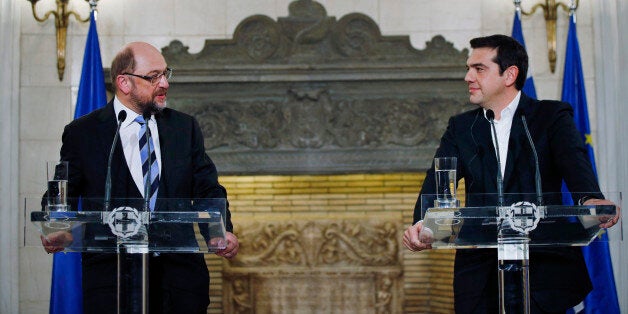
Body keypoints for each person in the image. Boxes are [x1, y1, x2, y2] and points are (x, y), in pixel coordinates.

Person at [402, 34, 621, 314]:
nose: (468, 76)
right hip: (481, 280)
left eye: (478, 69)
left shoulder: (551, 117)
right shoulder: (461, 128)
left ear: (510, 75)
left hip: (544, 275)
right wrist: (423, 224)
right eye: (469, 68)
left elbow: (577, 168)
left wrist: (590, 199)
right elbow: (435, 183)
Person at [40, 41, 238, 314]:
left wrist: (220, 230)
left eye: (166, 74)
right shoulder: (83, 132)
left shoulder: (184, 127)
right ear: (124, 83)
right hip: (113, 283)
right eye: (153, 76)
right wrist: (54, 227)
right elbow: (62, 191)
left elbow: (207, 189)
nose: (164, 84)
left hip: (178, 284)